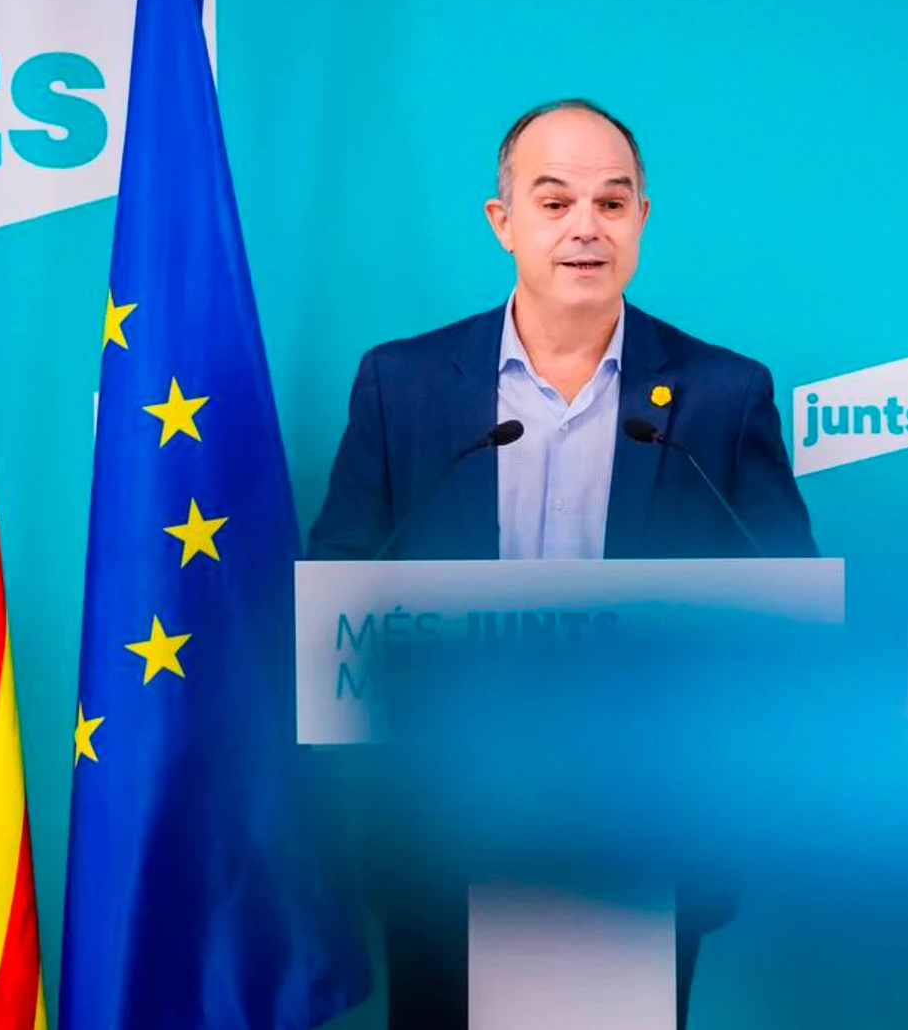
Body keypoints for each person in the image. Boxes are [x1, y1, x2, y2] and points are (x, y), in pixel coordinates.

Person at [306, 98, 818, 1030]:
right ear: (503, 222)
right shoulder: (404, 385)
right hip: (448, 829)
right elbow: (341, 581)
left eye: (612, 203)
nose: (587, 226)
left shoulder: (722, 395)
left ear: (642, 221)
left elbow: (782, 602)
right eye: (554, 202)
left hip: (649, 832)